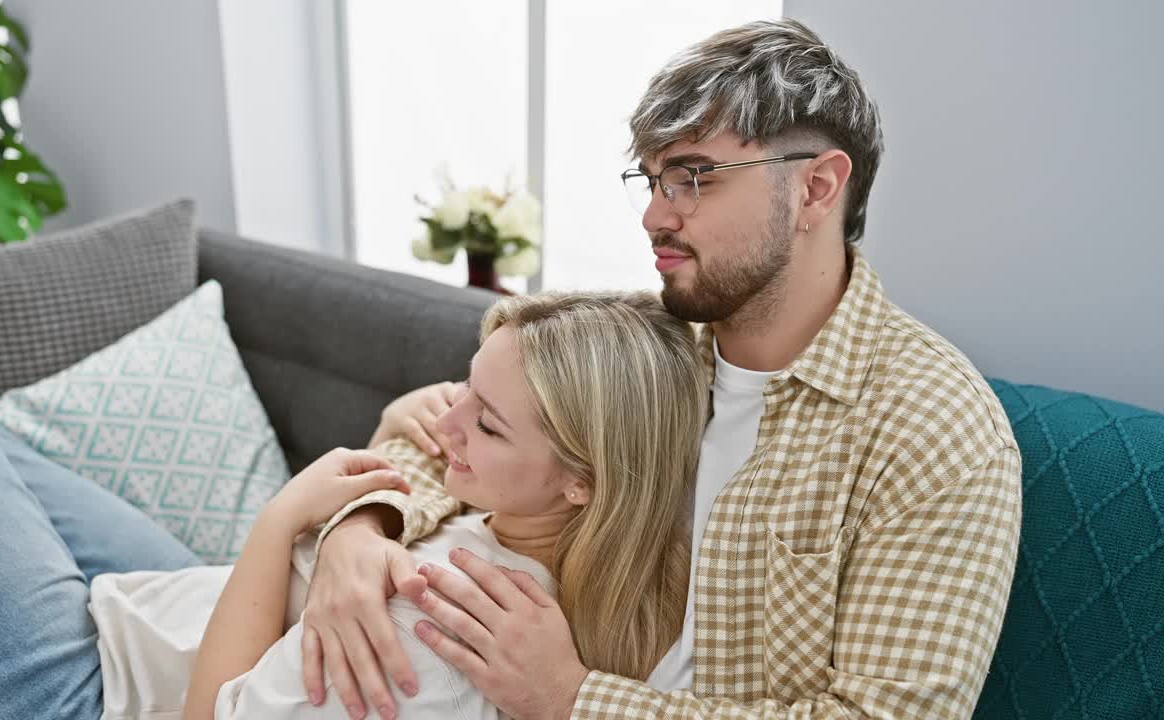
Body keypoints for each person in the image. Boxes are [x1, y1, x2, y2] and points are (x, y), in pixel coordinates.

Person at [299, 18, 1023, 720]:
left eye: (693, 178)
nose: (653, 216)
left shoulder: (935, 431)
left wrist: (571, 700)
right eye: (650, 181)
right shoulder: (650, 343)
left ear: (817, 189)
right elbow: (460, 439)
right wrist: (362, 530)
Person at [0, 289, 710, 720]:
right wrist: (374, 490)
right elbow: (413, 461)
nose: (444, 419)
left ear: (584, 483)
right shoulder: (530, 521)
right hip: (171, 613)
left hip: (93, 694)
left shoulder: (436, 627)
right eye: (465, 386)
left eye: (484, 424)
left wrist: (282, 520)